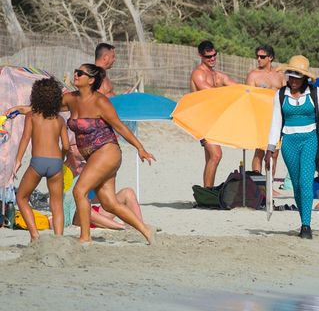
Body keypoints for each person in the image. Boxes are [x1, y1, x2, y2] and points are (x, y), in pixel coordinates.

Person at [12, 64, 156, 244]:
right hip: (93, 157)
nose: (76, 75)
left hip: (106, 151)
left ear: (91, 80)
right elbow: (46, 107)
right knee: (109, 203)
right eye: (75, 71)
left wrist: (140, 148)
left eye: (80, 73)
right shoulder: (70, 99)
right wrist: (22, 109)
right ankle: (146, 230)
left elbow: (119, 126)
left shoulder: (100, 101)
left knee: (80, 190)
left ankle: (85, 238)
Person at [265, 56, 319, 239]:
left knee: (305, 182)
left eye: (297, 76)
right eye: (290, 75)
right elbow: (276, 123)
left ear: (305, 78)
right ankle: (304, 220)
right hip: (288, 143)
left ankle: (306, 226)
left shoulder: (315, 94)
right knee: (295, 185)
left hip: (310, 139)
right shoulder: (280, 95)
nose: (293, 80)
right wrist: (269, 149)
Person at [9, 78, 72, 243]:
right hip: (56, 163)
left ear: (35, 96)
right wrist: (63, 157)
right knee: (56, 204)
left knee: (21, 198)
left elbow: (25, 139)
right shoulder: (60, 120)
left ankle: (35, 236)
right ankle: (58, 240)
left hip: (38, 163)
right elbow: (66, 145)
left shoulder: (32, 116)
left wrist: (18, 161)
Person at [190, 39, 234, 188]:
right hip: (202, 121)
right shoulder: (198, 73)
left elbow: (237, 87)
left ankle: (207, 190)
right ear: (200, 56)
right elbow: (210, 93)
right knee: (216, 155)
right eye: (208, 57)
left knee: (211, 157)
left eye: (214, 55)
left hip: (214, 120)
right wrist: (227, 91)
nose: (213, 59)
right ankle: (207, 191)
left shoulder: (218, 75)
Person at [246, 44, 286, 172]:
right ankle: (257, 185)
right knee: (260, 151)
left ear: (270, 58)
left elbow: (286, 94)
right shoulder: (254, 75)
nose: (258, 59)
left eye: (262, 57)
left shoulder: (279, 75)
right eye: (257, 56)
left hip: (277, 117)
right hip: (261, 117)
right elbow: (248, 97)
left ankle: (269, 185)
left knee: (274, 153)